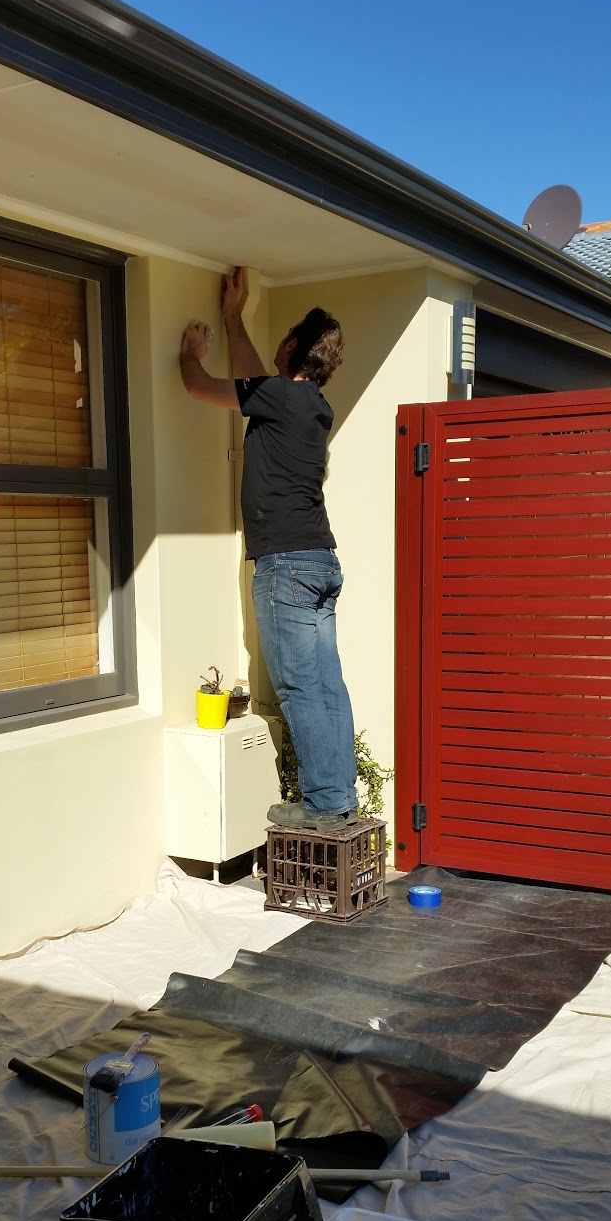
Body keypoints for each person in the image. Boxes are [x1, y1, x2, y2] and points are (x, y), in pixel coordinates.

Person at [179, 267, 358, 832]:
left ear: (294, 347)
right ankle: (339, 796)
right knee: (326, 684)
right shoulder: (309, 405)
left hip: (286, 567)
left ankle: (324, 804)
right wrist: (234, 318)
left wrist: (189, 354)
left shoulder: (280, 397)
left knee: (301, 687)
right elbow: (255, 380)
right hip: (320, 561)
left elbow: (199, 386)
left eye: (283, 337)